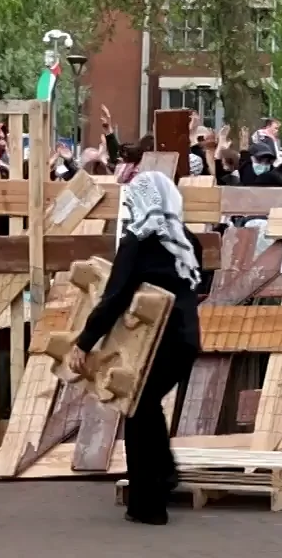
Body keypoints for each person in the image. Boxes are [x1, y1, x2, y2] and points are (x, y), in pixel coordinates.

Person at [66, 172, 202, 525]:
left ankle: (148, 505)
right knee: (147, 407)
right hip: (185, 340)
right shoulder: (185, 240)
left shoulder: (137, 241)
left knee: (138, 414)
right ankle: (166, 477)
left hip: (153, 343)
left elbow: (115, 297)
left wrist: (84, 342)